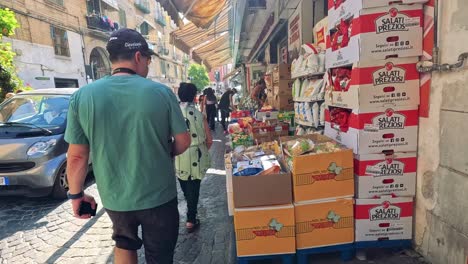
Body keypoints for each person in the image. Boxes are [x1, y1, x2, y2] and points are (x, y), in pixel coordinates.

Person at [64, 28, 191, 264]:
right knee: (161, 255)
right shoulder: (161, 93)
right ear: (138, 57)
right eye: (149, 60)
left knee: (123, 243)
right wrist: (164, 151)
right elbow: (184, 141)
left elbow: (77, 157)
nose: (148, 66)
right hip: (159, 196)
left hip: (115, 198)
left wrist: (77, 195)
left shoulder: (82, 96)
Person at [176, 83, 212, 232]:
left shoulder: (173, 113)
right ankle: (191, 218)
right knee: (194, 185)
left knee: (184, 181)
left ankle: (190, 209)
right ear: (194, 96)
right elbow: (209, 140)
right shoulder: (199, 115)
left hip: (179, 154)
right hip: (197, 153)